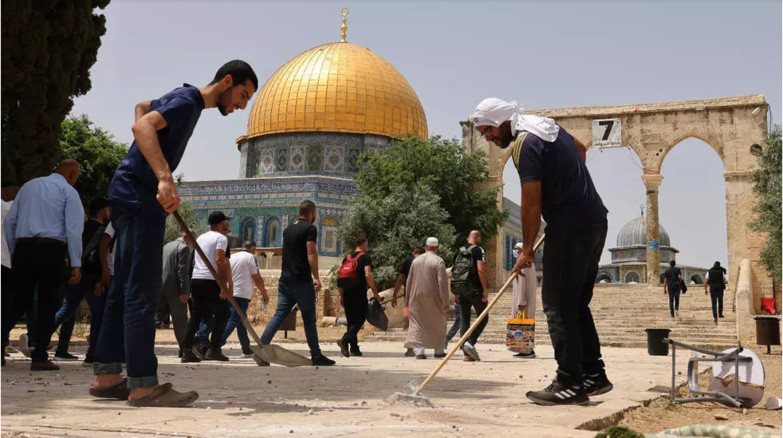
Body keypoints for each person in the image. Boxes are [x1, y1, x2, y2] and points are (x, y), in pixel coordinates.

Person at [90, 60, 258, 407]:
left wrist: (143, 166)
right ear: (227, 81)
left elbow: (141, 110)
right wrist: (162, 176)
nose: (242, 105)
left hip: (127, 194)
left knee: (123, 289)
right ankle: (142, 385)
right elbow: (142, 128)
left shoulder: (182, 96)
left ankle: (108, 377)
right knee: (141, 291)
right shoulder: (188, 102)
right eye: (243, 94)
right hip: (139, 200)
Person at [471, 98, 611, 405]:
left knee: (558, 306)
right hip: (594, 221)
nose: (488, 138)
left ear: (504, 122)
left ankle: (570, 382)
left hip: (570, 228)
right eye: (483, 133)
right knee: (576, 304)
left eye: (488, 131)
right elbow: (581, 150)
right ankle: (593, 375)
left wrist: (526, 250)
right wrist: (568, 187)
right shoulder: (547, 127)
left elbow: (531, 203)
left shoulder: (525, 145)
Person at [2, 159, 84, 371]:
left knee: (17, 301)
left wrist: (13, 251)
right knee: (48, 302)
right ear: (72, 175)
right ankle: (39, 356)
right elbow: (74, 230)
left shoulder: (29, 186)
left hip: (23, 248)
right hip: (50, 249)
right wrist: (76, 263)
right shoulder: (68, 191)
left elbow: (10, 222)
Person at [259, 200, 335, 366]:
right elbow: (311, 252)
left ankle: (261, 349)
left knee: (280, 315)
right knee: (308, 318)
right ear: (311, 213)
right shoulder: (310, 228)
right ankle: (316, 354)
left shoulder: (287, 230)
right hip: (301, 279)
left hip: (285, 279)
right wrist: (316, 276)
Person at [50, 197, 111, 361]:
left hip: (73, 275)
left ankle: (36, 338)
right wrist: (99, 279)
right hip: (89, 277)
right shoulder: (101, 230)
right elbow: (95, 256)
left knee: (66, 309)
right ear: (101, 212)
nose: (110, 212)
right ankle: (92, 354)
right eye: (108, 209)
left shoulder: (81, 228)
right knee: (99, 313)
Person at [181, 212, 233, 363]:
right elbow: (219, 261)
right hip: (211, 280)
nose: (226, 225)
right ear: (221, 223)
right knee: (223, 313)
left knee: (196, 316)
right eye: (225, 222)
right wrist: (223, 286)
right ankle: (214, 349)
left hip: (196, 280)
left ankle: (187, 351)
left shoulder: (201, 237)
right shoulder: (221, 238)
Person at [336, 234, 383, 358]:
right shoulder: (365, 258)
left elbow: (341, 276)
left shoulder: (346, 258)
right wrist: (375, 292)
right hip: (358, 292)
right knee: (361, 318)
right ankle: (345, 340)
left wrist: (341, 295)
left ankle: (354, 348)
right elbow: (368, 275)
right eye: (366, 243)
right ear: (363, 243)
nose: (367, 245)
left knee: (351, 321)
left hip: (347, 293)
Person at [404, 237, 450, 359]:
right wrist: (445, 301)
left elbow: (409, 281)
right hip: (434, 296)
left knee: (418, 323)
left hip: (416, 296)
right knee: (439, 322)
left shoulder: (416, 261)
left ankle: (419, 352)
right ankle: (439, 350)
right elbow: (442, 282)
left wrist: (407, 300)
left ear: (426, 246)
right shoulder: (439, 261)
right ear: (437, 248)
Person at [221, 240, 268, 357]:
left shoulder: (233, 256)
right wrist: (264, 294)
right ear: (253, 248)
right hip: (241, 294)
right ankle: (215, 345)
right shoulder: (251, 257)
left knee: (242, 321)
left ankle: (246, 347)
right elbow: (256, 277)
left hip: (231, 292)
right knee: (233, 320)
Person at [452, 230, 489, 362]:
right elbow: (481, 269)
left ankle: (466, 353)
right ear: (478, 238)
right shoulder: (478, 250)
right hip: (475, 289)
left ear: (468, 238)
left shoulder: (459, 251)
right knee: (483, 316)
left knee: (464, 319)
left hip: (461, 289)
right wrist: (484, 288)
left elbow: (454, 271)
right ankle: (470, 342)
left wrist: (456, 292)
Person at [161, 232, 195, 357]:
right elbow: (183, 272)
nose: (191, 244)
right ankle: (186, 351)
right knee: (180, 322)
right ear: (188, 238)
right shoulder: (183, 248)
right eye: (192, 241)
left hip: (162, 289)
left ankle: (140, 345)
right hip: (176, 292)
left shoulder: (167, 246)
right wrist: (185, 291)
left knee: (155, 319)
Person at [391, 247, 424, 357]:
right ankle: (419, 348)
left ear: (413, 253)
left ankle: (410, 348)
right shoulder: (424, 261)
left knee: (410, 321)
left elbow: (400, 279)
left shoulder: (407, 262)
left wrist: (395, 294)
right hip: (422, 295)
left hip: (409, 295)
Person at [511, 242, 537, 358]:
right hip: (526, 300)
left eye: (517, 250)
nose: (515, 252)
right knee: (526, 325)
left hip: (523, 302)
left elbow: (522, 285)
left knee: (523, 325)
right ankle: (528, 350)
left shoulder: (524, 266)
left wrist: (521, 302)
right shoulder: (528, 265)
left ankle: (526, 351)